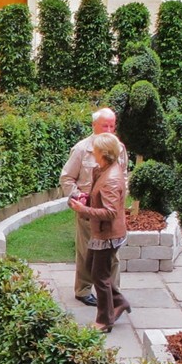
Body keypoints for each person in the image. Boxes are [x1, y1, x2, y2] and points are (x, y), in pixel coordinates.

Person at [60, 107, 128, 306]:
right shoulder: (82, 149)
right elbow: (66, 178)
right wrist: (76, 197)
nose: (108, 129)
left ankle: (113, 295)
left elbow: (123, 175)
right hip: (87, 212)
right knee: (86, 253)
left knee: (112, 254)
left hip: (111, 212)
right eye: (104, 125)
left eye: (112, 126)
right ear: (94, 126)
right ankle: (83, 290)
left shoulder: (119, 148)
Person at [67, 133, 132, 333]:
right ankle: (119, 302)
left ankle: (105, 320)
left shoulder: (111, 179)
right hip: (102, 233)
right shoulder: (104, 169)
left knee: (100, 277)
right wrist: (88, 199)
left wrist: (83, 210)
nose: (92, 151)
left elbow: (110, 212)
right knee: (91, 267)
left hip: (108, 235)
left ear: (102, 153)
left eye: (95, 149)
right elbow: (101, 198)